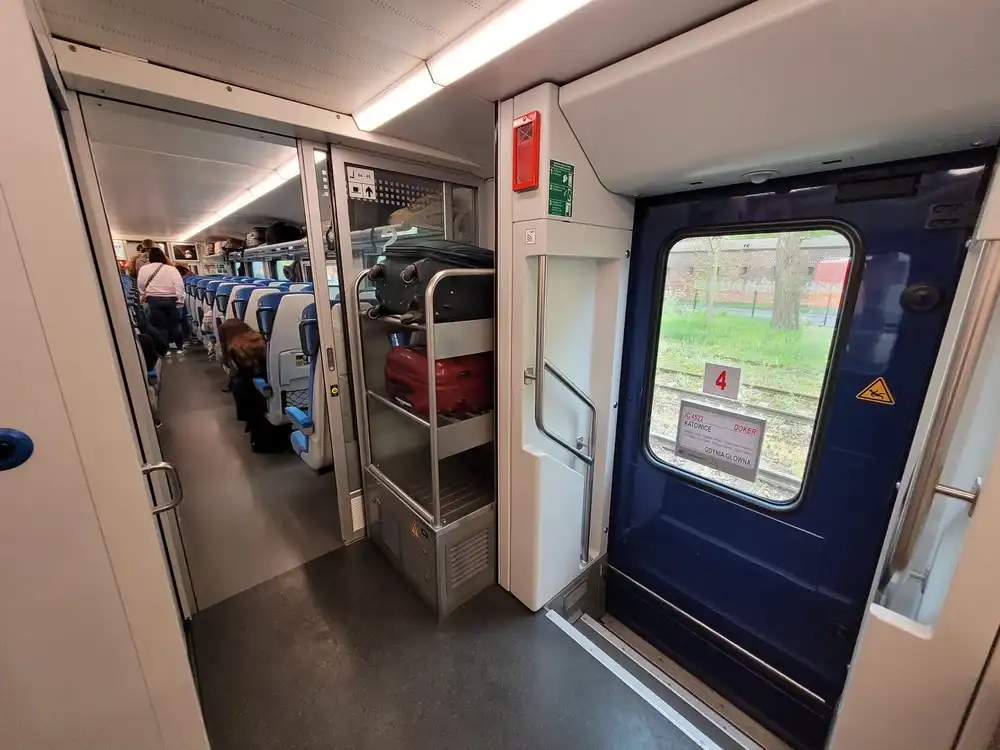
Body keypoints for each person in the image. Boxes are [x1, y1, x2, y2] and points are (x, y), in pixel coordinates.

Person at [138, 246, 186, 352]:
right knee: (175, 325)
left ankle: (166, 350)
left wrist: (143, 295)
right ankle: (180, 348)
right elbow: (179, 285)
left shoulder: (144, 269)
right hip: (172, 299)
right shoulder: (171, 269)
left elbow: (141, 284)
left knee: (160, 326)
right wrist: (180, 299)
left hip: (154, 299)